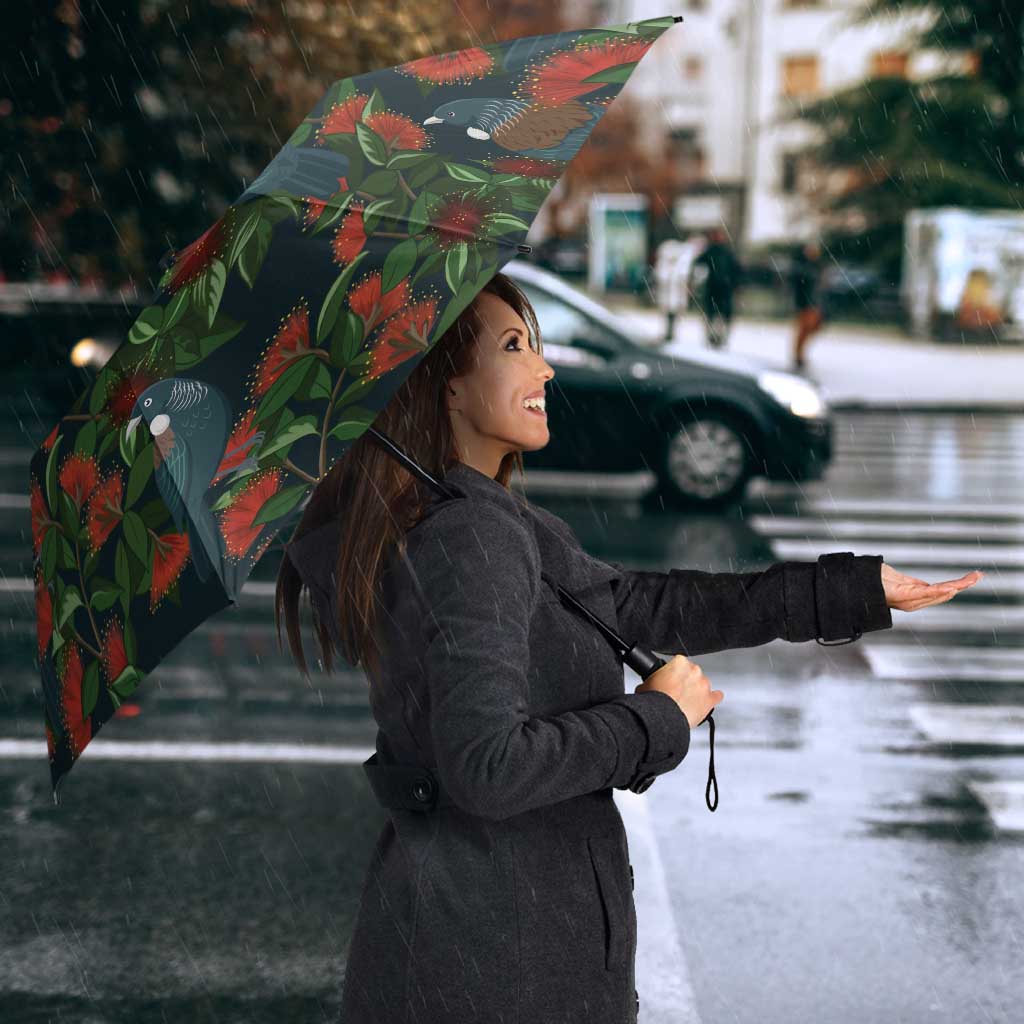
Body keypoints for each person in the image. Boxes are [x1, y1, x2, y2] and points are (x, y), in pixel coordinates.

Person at [276, 271, 980, 1024]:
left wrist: (848, 590)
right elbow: (488, 767)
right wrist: (655, 719)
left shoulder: (472, 518)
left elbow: (639, 606)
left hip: (475, 942)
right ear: (446, 384)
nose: (544, 369)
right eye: (514, 347)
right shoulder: (471, 536)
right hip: (500, 964)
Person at [692, 226, 742, 349]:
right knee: (714, 314)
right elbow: (698, 263)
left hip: (722, 289)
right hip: (716, 288)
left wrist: (735, 284)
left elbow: (736, 270)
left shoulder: (724, 252)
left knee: (719, 315)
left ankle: (719, 337)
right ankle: (713, 337)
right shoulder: (714, 251)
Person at [790, 239, 826, 370]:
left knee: (812, 327)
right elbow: (799, 286)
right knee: (804, 329)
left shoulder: (816, 266)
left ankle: (799, 354)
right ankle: (798, 355)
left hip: (814, 303)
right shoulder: (802, 267)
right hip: (805, 303)